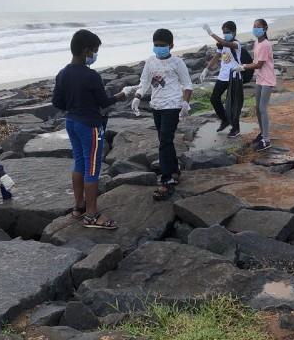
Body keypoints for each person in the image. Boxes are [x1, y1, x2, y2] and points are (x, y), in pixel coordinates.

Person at [52, 29, 126, 229]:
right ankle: (92, 215)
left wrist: (75, 104)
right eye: (94, 50)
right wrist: (119, 96)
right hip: (90, 126)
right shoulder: (91, 75)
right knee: (92, 168)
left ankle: (78, 207)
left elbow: (57, 101)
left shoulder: (63, 73)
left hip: (71, 122)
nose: (94, 55)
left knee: (79, 163)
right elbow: (103, 102)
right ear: (86, 51)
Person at [124, 29, 193, 201]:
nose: (158, 48)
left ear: (171, 46)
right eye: (156, 45)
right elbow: (145, 82)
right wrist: (137, 97)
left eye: (162, 46)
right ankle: (175, 169)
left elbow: (188, 84)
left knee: (165, 141)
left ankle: (166, 180)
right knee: (165, 141)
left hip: (173, 105)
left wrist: (185, 103)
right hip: (157, 106)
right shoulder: (150, 61)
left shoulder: (177, 63)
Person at [234, 19, 275, 151]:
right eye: (254, 26)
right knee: (257, 108)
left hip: (268, 80)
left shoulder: (265, 44)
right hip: (260, 79)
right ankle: (262, 134)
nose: (255, 28)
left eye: (258, 27)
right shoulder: (257, 42)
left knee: (262, 108)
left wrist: (243, 67)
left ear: (265, 28)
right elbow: (255, 61)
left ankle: (267, 140)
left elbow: (259, 64)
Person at [200, 21, 243, 137]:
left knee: (233, 103)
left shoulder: (236, 44)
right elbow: (217, 56)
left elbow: (224, 42)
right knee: (214, 99)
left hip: (234, 76)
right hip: (223, 76)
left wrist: (210, 33)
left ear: (234, 32)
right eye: (224, 32)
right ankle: (225, 120)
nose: (225, 34)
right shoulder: (223, 45)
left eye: (228, 32)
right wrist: (207, 69)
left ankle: (236, 129)